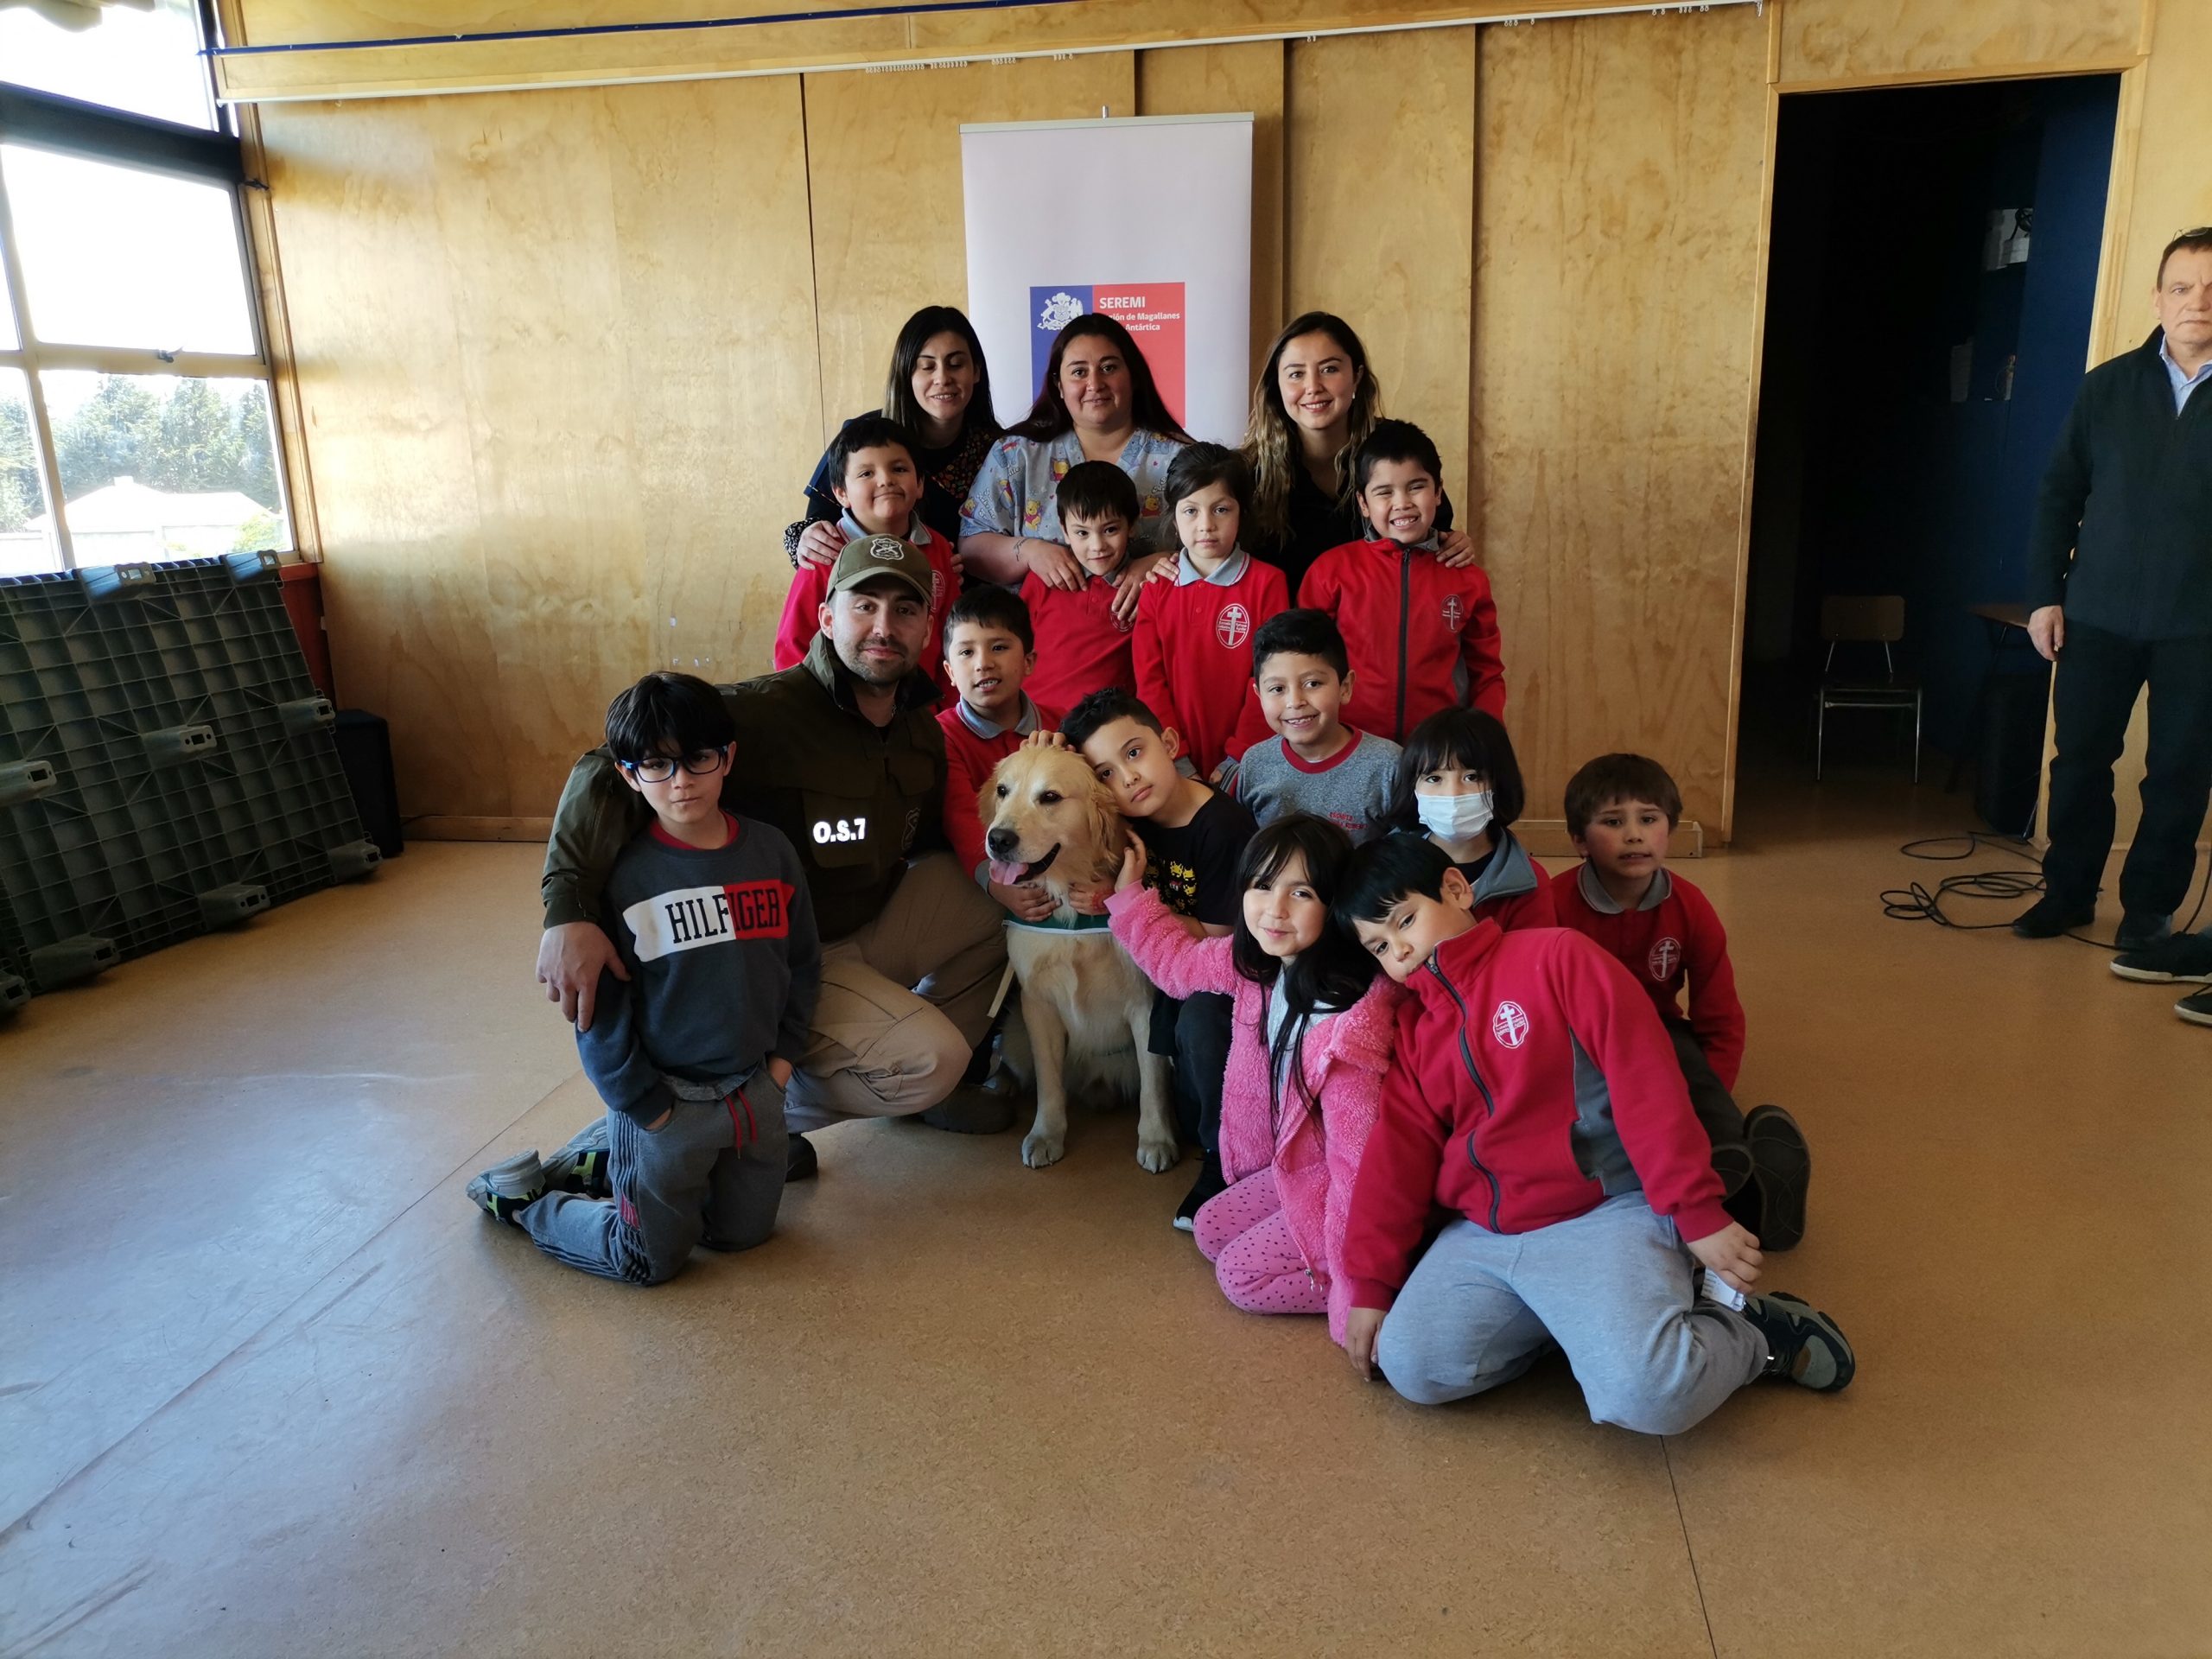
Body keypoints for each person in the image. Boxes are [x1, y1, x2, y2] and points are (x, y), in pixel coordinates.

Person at [535, 537, 1016, 1182]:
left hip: (868, 923)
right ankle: (735, 1123)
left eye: (904, 610)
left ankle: (902, 1093)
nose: (883, 626)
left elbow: (934, 841)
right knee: (928, 1060)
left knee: (999, 907)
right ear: (825, 616)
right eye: (864, 605)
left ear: (926, 627)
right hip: (781, 959)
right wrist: (568, 911)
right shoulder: (762, 713)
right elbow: (605, 764)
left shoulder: (920, 731)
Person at [1333, 835, 1857, 1426]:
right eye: (1379, 945)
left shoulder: (1557, 957)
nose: (1400, 950)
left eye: (1406, 920)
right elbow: (1396, 1158)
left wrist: (1693, 1209)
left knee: (1649, 1396)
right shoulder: (1417, 1030)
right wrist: (1372, 1285)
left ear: (1455, 889)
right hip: (1487, 1234)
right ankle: (1586, 1329)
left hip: (1604, 1211)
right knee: (1413, 1367)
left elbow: (1646, 1078)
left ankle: (1749, 1334)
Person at [469, 672, 819, 1285]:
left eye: (698, 759)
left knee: (744, 1236)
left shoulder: (772, 852)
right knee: (649, 1261)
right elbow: (598, 1014)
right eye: (657, 765)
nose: (681, 781)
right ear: (628, 775)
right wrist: (646, 1108)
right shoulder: (624, 877)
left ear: (727, 758)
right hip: (665, 1101)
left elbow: (802, 963)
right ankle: (526, 1202)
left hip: (754, 1093)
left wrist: (782, 1066)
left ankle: (611, 1160)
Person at [1105, 815, 1400, 1348]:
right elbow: (1176, 964)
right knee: (1212, 1229)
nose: (1275, 909)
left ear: (1334, 906)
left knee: (1241, 1278)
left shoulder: (1346, 1023)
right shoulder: (1258, 965)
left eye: (1302, 892)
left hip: (1338, 1189)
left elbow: (1358, 1169)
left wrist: (1359, 1298)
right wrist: (1131, 894)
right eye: (1261, 885)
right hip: (1284, 1168)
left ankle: (1369, 1282)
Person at [2014, 227, 2212, 955]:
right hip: (2096, 615)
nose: (2199, 302)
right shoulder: (2107, 387)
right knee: (2078, 765)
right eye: (2183, 286)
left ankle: (2150, 913)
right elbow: (2057, 497)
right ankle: (2066, 894)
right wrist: (2044, 595)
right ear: (2158, 298)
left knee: (2179, 775)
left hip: (2200, 627)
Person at [1551, 753, 1812, 1251]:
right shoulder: (1555, 905)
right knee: (1617, 1126)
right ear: (1580, 841)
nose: (1634, 835)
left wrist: (1713, 1091)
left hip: (1661, 1035)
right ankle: (1743, 1203)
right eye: (1613, 822)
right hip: (1581, 1043)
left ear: (1669, 829)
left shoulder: (1691, 907)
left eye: (1649, 820)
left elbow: (1720, 1017)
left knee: (1691, 1086)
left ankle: (1735, 1162)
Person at [1064, 688, 1257, 1229]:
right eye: (1103, 774)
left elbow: (1220, 937)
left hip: (1228, 980)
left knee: (1201, 1030)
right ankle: (1208, 1133)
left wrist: (1126, 901)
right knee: (1190, 1106)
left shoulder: (1223, 827)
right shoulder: (1133, 824)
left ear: (1168, 742)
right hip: (1171, 969)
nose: (1127, 778)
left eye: (1134, 752)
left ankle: (1225, 1165)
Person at [957, 313, 1190, 620]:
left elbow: (1222, 545)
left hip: (1149, 645)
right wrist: (1029, 552)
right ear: (1059, 384)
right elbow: (971, 546)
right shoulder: (1017, 454)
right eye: (1079, 372)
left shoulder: (1182, 461)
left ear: (1132, 376)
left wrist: (1168, 561)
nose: (1095, 383)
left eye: (1109, 368)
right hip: (1036, 649)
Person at [1239, 311, 1480, 600]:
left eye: (1329, 369)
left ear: (1357, 376)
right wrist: (1171, 561)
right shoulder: (1248, 471)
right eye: (1296, 374)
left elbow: (1432, 537)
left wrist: (1454, 544)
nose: (1313, 387)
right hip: (1285, 639)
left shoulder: (1395, 448)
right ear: (1276, 387)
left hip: (1379, 633)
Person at [1301, 419, 1504, 744]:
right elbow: (1300, 663)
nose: (1402, 503)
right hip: (1349, 749)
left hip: (1439, 755)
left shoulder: (1467, 579)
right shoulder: (1331, 571)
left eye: (1416, 486)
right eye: (1384, 492)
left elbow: (1487, 673)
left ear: (1438, 492)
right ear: (1364, 504)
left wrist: (1485, 740)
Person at [788, 305, 1000, 569]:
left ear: (976, 371)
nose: (943, 378)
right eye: (927, 367)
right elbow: (814, 527)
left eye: (956, 364)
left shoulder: (1001, 451)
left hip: (972, 602)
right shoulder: (864, 437)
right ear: (907, 374)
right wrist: (807, 540)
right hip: (878, 599)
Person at [1131, 443, 1283, 783]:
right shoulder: (1157, 588)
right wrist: (1176, 757)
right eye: (1191, 511)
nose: (1206, 525)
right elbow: (1150, 681)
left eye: (1221, 509)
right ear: (1173, 515)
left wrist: (1239, 755)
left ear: (1242, 512)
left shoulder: (1268, 584)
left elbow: (1272, 678)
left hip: (1249, 763)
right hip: (1173, 761)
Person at [774, 416, 957, 693]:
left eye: (898, 469)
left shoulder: (938, 548)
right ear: (841, 493)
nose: (885, 481)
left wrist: (945, 712)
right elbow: (793, 646)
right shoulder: (825, 551)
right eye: (866, 473)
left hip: (922, 713)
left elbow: (954, 638)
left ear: (920, 484)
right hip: (842, 716)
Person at [937, 584, 1061, 922]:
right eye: (966, 653)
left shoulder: (1062, 726)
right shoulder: (941, 735)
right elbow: (961, 816)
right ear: (949, 672)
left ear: (1028, 662)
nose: (984, 664)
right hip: (982, 869)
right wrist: (994, 884)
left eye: (999, 647)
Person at [1227, 608, 1398, 842]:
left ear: (1345, 687)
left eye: (1313, 683)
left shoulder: (1388, 765)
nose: (1295, 702)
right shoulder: (1255, 763)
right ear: (1259, 695)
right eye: (1277, 689)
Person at [1379, 707, 1554, 931]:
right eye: (1434, 778)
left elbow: (1535, 958)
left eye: (1471, 777)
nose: (1453, 793)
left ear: (1499, 782)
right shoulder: (1386, 866)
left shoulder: (1528, 881)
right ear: (1413, 787)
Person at [1019, 460, 1141, 715]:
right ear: (1064, 532)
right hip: (1034, 723)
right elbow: (1015, 647)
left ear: (1132, 526)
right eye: (1082, 533)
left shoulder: (1142, 585)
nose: (1097, 546)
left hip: (1107, 728)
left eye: (1109, 530)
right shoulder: (1045, 579)